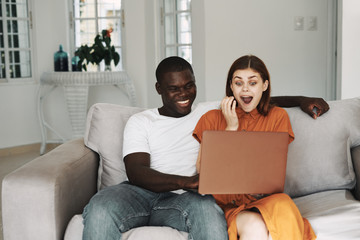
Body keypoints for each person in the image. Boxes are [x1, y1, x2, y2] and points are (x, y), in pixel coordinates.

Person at [82, 56, 327, 240]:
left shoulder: (210, 112)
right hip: (141, 192)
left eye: (189, 86)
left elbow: (252, 99)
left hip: (187, 200)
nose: (184, 94)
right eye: (174, 88)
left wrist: (302, 101)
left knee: (208, 212)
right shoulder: (142, 121)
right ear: (159, 89)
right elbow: (136, 173)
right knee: (101, 205)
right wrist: (186, 181)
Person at [193, 55, 316, 240]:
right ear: (231, 86)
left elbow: (273, 171)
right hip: (227, 206)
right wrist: (230, 129)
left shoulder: (278, 117)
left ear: (264, 86)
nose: (245, 89)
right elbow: (203, 171)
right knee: (254, 226)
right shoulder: (211, 118)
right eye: (238, 83)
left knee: (284, 205)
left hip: (266, 200)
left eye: (252, 83)